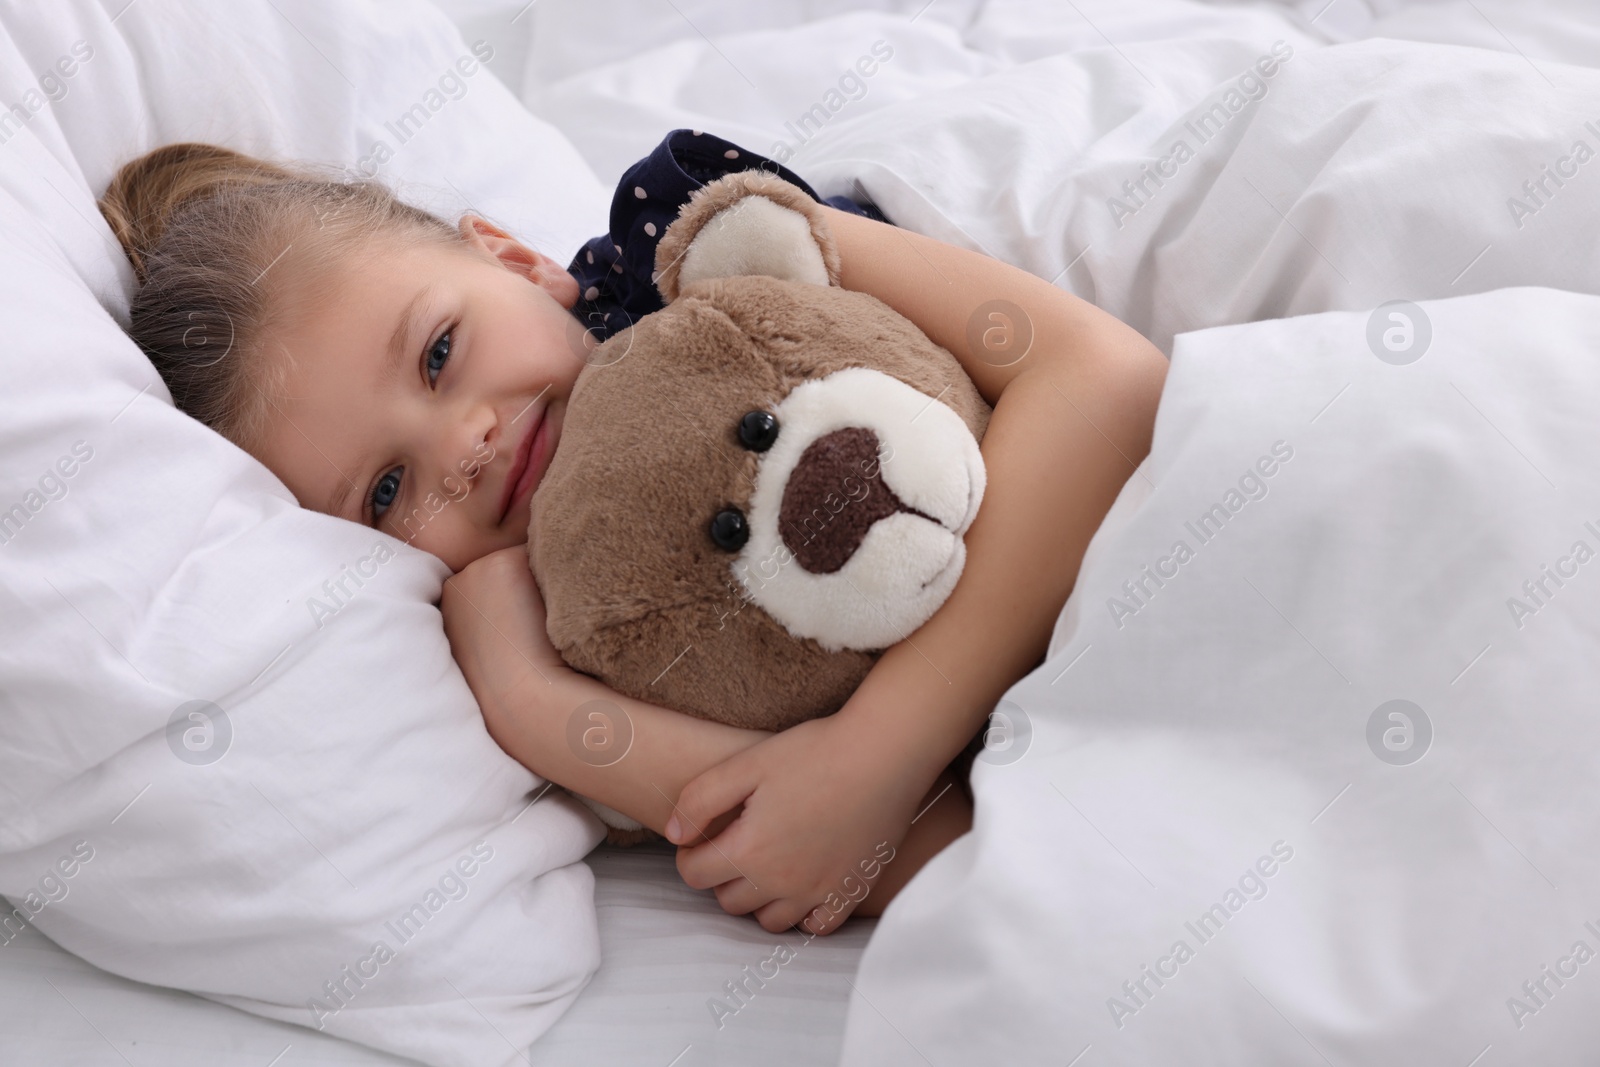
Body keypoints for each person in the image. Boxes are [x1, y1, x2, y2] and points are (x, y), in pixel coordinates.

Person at [100, 132, 1167, 936]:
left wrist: (879, 745)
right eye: (385, 491)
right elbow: (887, 851)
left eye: (437, 354)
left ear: (515, 262)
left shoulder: (699, 252)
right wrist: (534, 702)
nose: (461, 448)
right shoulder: (563, 628)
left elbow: (1107, 384)